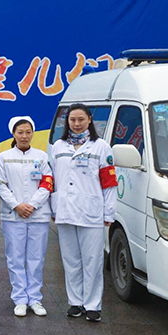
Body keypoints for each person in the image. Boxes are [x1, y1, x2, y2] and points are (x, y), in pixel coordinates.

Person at [50, 103, 118, 323]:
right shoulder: (58, 146)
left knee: (92, 260)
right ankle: (75, 302)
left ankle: (92, 305)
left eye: (81, 119)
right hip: (65, 210)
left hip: (91, 212)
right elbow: (52, 179)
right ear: (67, 121)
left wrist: (109, 213)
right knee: (70, 260)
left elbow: (109, 183)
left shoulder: (101, 147)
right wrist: (52, 206)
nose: (76, 124)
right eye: (72, 120)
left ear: (89, 120)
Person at [0, 116, 53, 317]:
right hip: (13, 216)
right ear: (13, 134)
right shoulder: (4, 157)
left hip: (38, 215)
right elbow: (0, 185)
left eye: (28, 132)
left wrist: (33, 204)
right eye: (20, 132)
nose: (24, 136)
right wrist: (17, 206)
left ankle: (35, 299)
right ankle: (20, 298)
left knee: (36, 258)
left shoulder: (42, 157)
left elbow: (47, 183)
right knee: (15, 258)